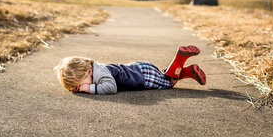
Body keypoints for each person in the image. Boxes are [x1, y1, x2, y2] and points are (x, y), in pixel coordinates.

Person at [54, 45, 207, 94]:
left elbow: (111, 88)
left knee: (169, 83)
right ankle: (188, 71)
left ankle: (180, 58)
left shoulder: (99, 74)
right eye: (77, 88)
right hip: (140, 68)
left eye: (80, 84)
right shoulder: (94, 68)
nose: (82, 88)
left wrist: (90, 88)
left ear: (89, 72)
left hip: (143, 76)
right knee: (165, 76)